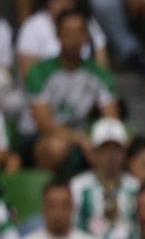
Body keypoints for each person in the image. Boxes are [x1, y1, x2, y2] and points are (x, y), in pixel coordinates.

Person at [25, 9, 119, 173]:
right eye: (68, 33)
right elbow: (45, 124)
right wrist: (80, 139)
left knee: (117, 149)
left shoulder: (99, 75)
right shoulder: (39, 72)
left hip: (82, 138)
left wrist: (99, 142)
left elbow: (111, 119)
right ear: (57, 35)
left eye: (79, 33)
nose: (74, 40)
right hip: (37, 137)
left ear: (86, 37)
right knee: (57, 147)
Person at [71, 116, 139, 239]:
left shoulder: (136, 188)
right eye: (104, 149)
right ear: (93, 153)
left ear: (124, 153)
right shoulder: (78, 187)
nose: (111, 155)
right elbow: (72, 230)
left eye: (116, 149)